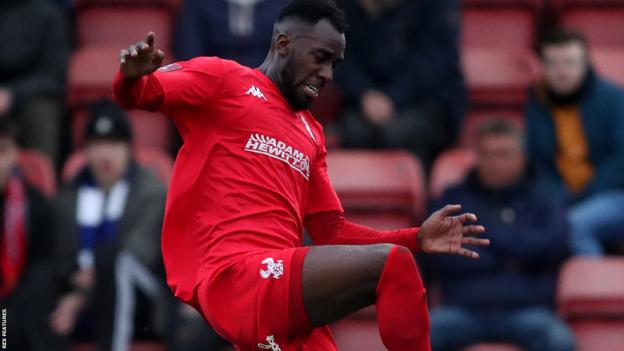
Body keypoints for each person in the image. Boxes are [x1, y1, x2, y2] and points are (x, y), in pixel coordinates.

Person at [113, 1, 488, 350]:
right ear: (283, 43)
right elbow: (144, 92)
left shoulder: (311, 132)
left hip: (279, 292)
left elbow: (332, 232)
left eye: (335, 65)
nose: (326, 74)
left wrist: (416, 238)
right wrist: (131, 78)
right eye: (321, 58)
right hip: (236, 279)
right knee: (394, 266)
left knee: (396, 261)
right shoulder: (224, 79)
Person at [427, 120, 575, 351]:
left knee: (558, 340)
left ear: (521, 157)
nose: (493, 162)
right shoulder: (452, 200)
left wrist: (486, 241)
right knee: (421, 334)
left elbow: (552, 248)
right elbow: (441, 257)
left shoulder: (545, 198)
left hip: (527, 310)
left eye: (503, 154)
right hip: (463, 310)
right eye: (486, 154)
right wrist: (515, 254)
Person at [51, 99, 168, 350]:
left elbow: (138, 256)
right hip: (78, 296)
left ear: (128, 149)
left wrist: (83, 296)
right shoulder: (68, 196)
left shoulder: (151, 192)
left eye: (114, 144)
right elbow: (60, 257)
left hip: (140, 301)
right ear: (86, 151)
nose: (105, 154)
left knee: (112, 259)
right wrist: (73, 279)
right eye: (97, 144)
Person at [526, 27, 624, 256]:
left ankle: (598, 289)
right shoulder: (537, 104)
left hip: (613, 195)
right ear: (542, 67)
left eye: (569, 62)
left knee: (573, 226)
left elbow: (621, 160)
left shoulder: (614, 99)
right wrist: (559, 197)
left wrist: (583, 195)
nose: (561, 72)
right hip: (562, 199)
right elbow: (537, 164)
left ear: (585, 63)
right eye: (553, 63)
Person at [335, 0, 466, 167]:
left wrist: (393, 98)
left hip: (428, 102)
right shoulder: (348, 5)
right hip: (367, 101)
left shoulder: (437, 5)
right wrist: (364, 93)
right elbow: (341, 54)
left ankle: (417, 189)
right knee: (354, 131)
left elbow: (435, 60)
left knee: (399, 134)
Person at [0, 118, 68, 351]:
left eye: (2, 151)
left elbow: (46, 263)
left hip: (18, 303)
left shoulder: (35, 204)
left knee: (9, 325)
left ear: (14, 154)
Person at [0, 0, 69, 164]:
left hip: (31, 96)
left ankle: (42, 182)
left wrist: (12, 95)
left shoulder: (47, 13)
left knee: (42, 111)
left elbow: (54, 75)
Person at [175, 0, 290, 67]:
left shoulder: (282, 4)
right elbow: (190, 52)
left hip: (268, 84)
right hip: (212, 82)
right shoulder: (199, 4)